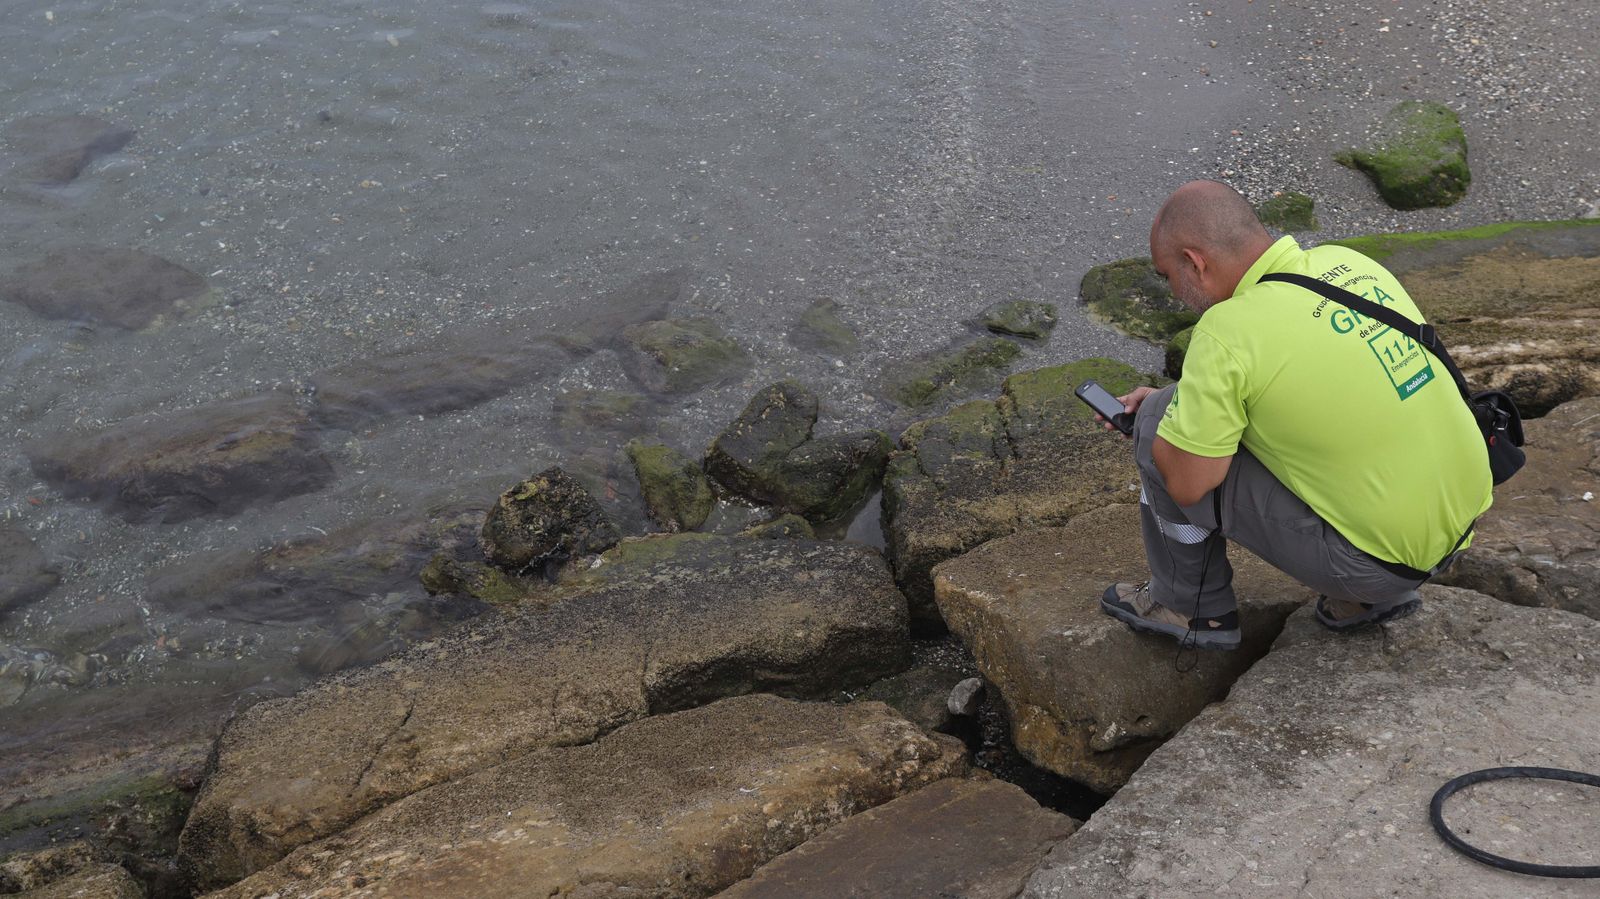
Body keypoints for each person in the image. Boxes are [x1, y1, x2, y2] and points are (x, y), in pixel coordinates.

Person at [1098, 180, 1492, 650]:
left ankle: (1189, 607)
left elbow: (1187, 486)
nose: (1175, 295)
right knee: (1186, 410)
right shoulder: (1349, 265)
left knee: (1155, 426)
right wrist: (1191, 396)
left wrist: (1168, 422)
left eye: (1168, 277)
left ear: (1195, 262)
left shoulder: (1226, 331)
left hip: (1375, 567)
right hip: (1459, 526)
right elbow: (1305, 371)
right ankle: (1369, 599)